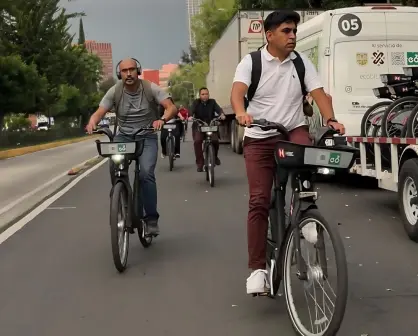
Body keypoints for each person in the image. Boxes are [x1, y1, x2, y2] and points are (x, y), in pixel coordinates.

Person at [230, 10, 345, 295]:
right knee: (259, 200)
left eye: (294, 30)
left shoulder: (302, 63)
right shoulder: (251, 62)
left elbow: (319, 95)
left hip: (292, 129)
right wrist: (242, 112)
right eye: (286, 31)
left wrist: (331, 120)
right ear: (269, 35)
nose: (292, 36)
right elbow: (237, 91)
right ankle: (257, 270)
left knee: (307, 154)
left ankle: (303, 211)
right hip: (259, 136)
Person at [86, 58, 177, 236]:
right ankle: (122, 196)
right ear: (119, 74)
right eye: (124, 70)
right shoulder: (115, 91)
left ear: (138, 71)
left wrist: (162, 119)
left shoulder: (150, 88)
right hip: (124, 137)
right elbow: (99, 112)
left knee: (146, 174)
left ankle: (151, 219)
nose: (128, 73)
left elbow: (171, 107)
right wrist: (92, 123)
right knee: (114, 165)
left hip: (147, 136)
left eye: (132, 70)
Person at [191, 87, 226, 172]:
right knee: (197, 141)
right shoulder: (196, 102)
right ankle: (200, 163)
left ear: (208, 95)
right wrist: (190, 116)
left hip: (210, 125)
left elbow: (218, 109)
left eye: (206, 94)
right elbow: (191, 110)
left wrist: (222, 114)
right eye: (203, 94)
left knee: (215, 141)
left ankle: (214, 157)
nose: (205, 96)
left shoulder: (212, 102)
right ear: (199, 95)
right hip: (199, 125)